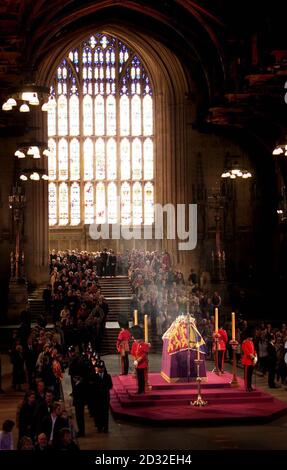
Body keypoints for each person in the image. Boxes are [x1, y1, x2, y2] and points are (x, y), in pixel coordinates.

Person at [91, 360, 113, 433]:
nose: (100, 369)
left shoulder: (107, 376)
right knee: (98, 413)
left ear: (104, 368)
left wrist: (103, 388)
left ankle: (106, 427)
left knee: (105, 413)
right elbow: (92, 387)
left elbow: (110, 386)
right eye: (99, 367)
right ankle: (99, 427)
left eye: (101, 367)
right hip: (97, 398)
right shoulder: (94, 376)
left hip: (105, 397)